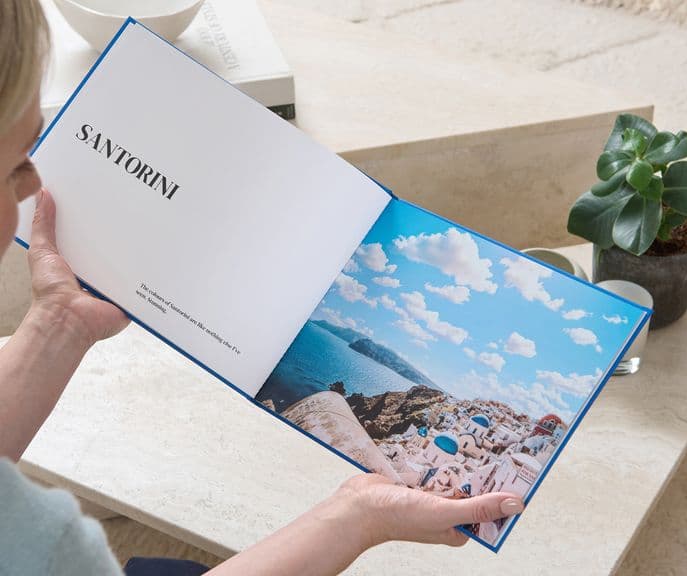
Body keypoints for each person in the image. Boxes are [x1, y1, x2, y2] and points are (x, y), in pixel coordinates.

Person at [0, 2, 524, 575]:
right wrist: (360, 515)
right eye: (13, 164)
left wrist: (60, 319)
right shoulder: (45, 538)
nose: (35, 182)